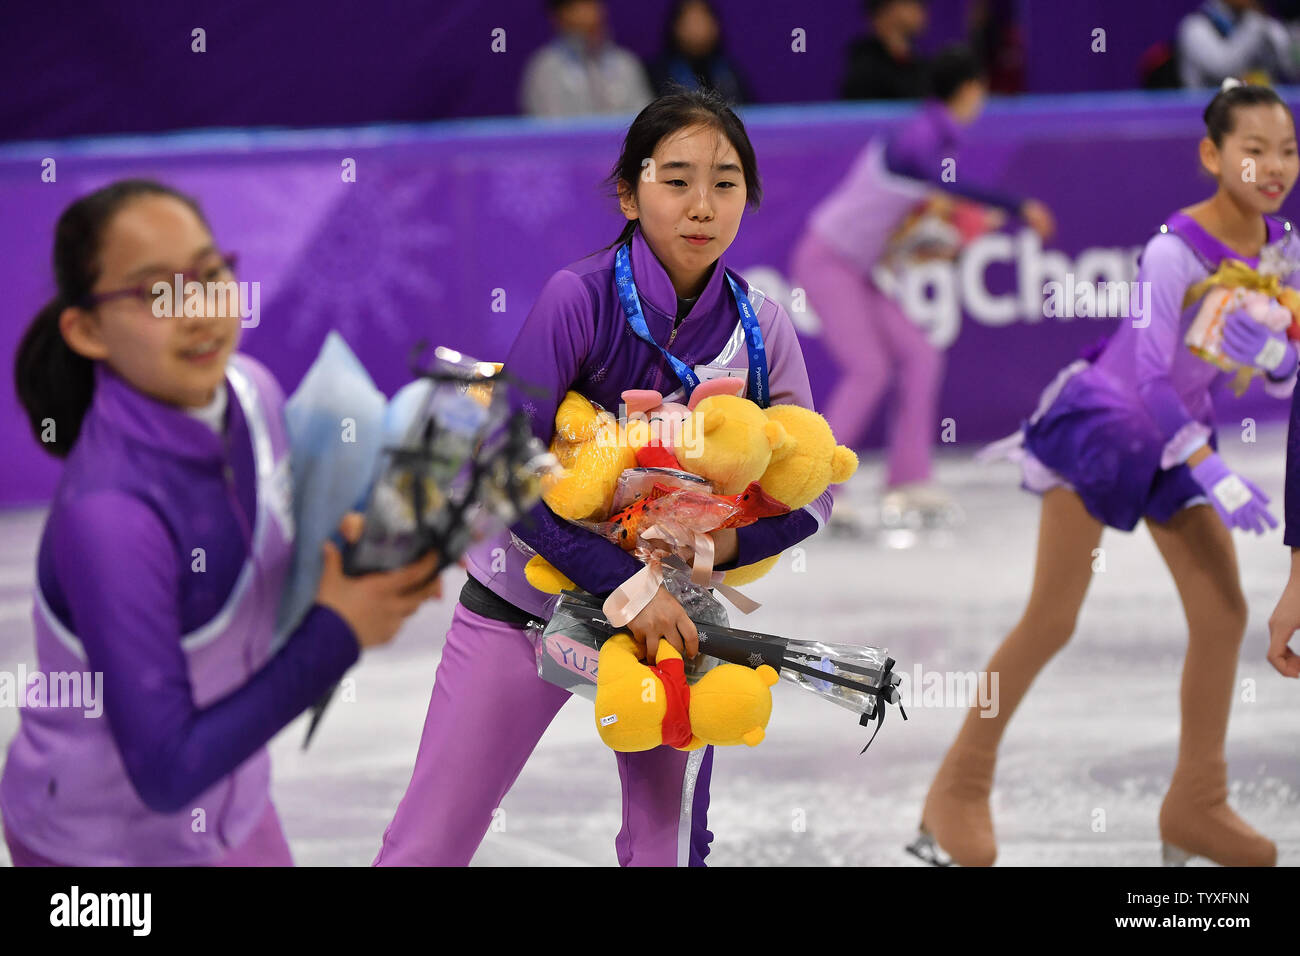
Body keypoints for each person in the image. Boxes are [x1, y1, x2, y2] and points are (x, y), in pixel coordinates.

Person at [373, 89, 833, 867]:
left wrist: (716, 552)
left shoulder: (764, 327)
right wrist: (629, 589)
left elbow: (815, 486)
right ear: (629, 191)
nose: (702, 205)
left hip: (676, 627)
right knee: (428, 847)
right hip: (525, 608)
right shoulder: (576, 301)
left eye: (725, 183)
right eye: (675, 179)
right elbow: (501, 470)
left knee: (669, 853)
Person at [913, 80, 1299, 867]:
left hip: (1175, 441)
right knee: (1053, 617)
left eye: (1287, 150)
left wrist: (1279, 356)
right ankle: (957, 787)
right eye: (1253, 150)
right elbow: (1153, 378)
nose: (1273, 167)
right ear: (1213, 154)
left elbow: (1287, 370)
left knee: (1222, 615)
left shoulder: (1281, 247)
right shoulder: (1173, 251)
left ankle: (1197, 800)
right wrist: (1213, 472)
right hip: (1109, 425)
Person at [1, 179, 443, 866]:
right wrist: (340, 632)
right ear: (86, 328)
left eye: (210, 275)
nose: (200, 312)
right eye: (155, 293)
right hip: (98, 854)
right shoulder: (110, 518)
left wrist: (373, 555)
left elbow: (293, 565)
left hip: (234, 810)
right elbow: (167, 771)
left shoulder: (251, 392)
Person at [792, 47, 1054, 526]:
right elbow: (941, 185)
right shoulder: (921, 134)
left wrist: (946, 237)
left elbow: (909, 221)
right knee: (868, 368)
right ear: (971, 89)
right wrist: (1018, 206)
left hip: (859, 265)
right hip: (827, 261)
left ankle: (908, 478)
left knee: (920, 354)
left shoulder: (932, 137)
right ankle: (820, 487)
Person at [520, 0, 653, 117]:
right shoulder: (545, 68)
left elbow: (644, 121)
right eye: (580, 6)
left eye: (594, 4)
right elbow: (548, 129)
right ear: (560, 16)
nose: (593, 15)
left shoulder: (626, 64)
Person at [1178, 0, 1299, 88]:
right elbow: (1225, 69)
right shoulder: (1195, 26)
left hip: (1256, 113)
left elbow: (1292, 69)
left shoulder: (1261, 23)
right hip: (1205, 115)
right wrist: (1255, 25)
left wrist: (1281, 36)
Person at [648, 0, 748, 104]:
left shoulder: (729, 73)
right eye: (691, 21)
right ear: (675, 27)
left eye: (704, 20)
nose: (699, 29)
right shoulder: (658, 74)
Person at [841, 0, 930, 101]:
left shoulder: (921, 66)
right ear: (885, 10)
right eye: (910, 3)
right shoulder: (864, 68)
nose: (920, 9)